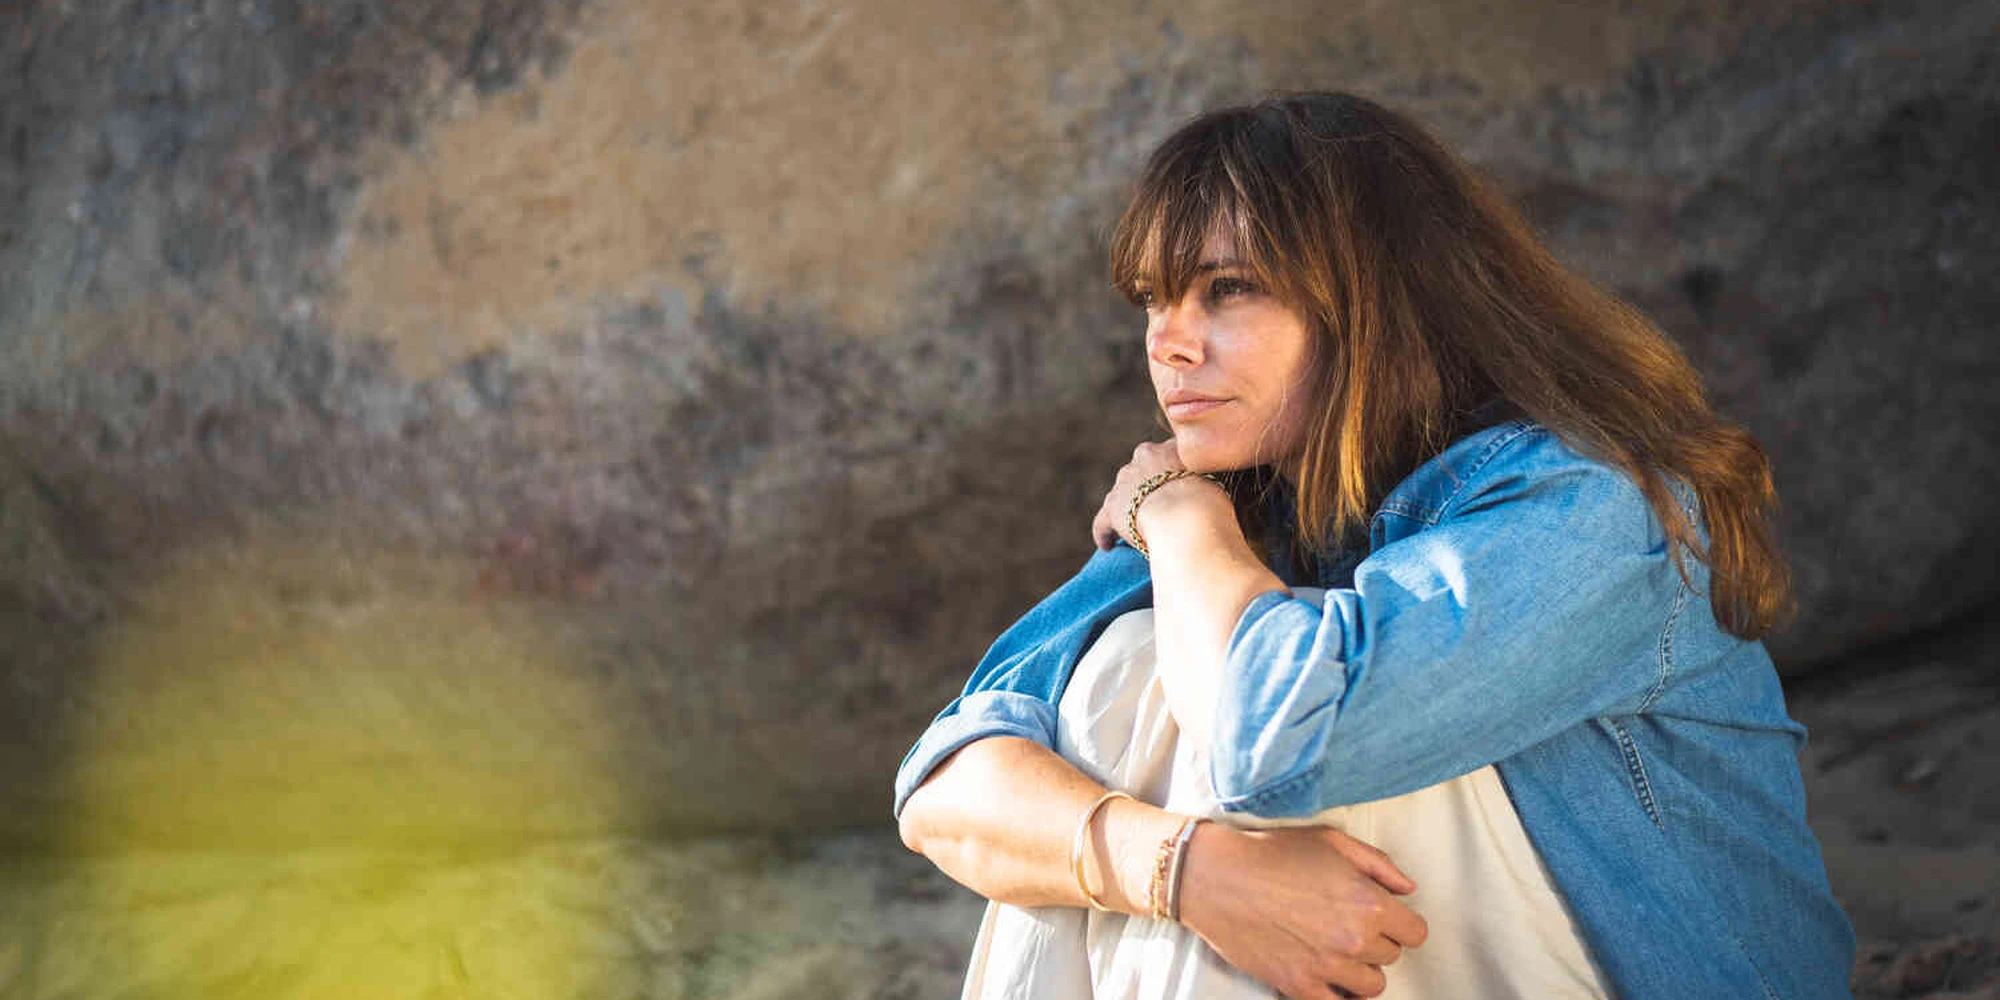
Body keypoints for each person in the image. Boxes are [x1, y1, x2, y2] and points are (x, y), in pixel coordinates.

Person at [893, 92, 1854, 999]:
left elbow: (1271, 742)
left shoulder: (1585, 504)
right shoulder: (1240, 503)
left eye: (1228, 289)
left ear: (1382, 303)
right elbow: (943, 779)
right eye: (1154, 298)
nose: (1168, 343)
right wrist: (1192, 873)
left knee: (1221, 675)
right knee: (1126, 673)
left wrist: (1177, 515)